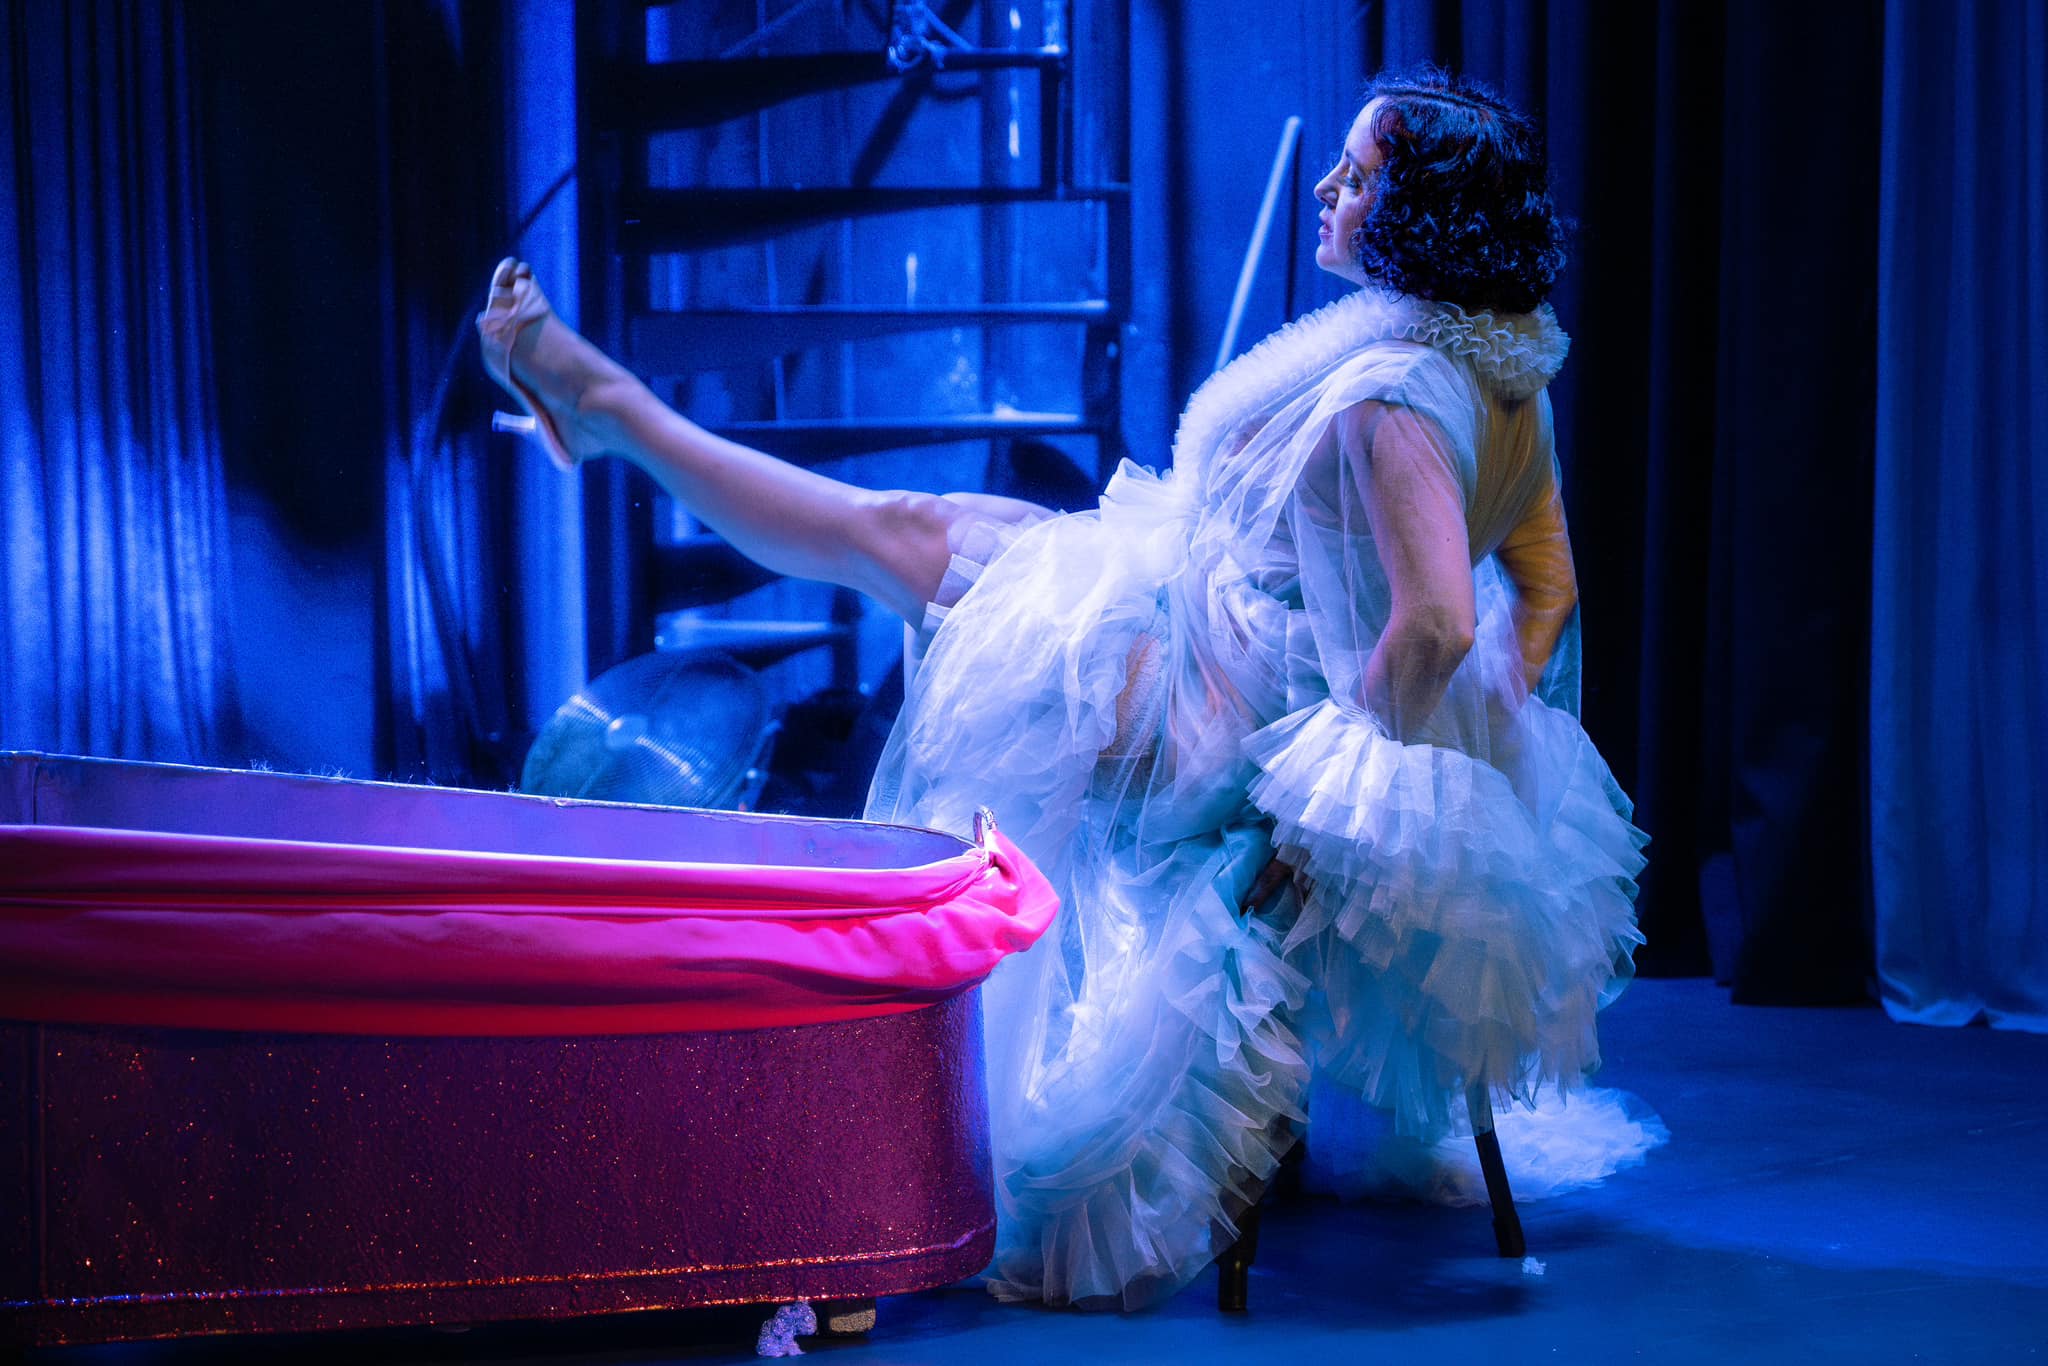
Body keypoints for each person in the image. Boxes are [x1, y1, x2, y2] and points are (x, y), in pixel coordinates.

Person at [480, 67, 1652, 1311]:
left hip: (1235, 712)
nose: (1326, 187)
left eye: (1355, 177)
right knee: (916, 528)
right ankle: (609, 413)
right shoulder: (1502, 373)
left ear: (1416, 215)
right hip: (1225, 638)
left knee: (904, 540)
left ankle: (608, 409)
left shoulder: (1393, 393)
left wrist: (1342, 808)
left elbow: (1436, 620)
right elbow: (1546, 589)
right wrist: (1482, 741)